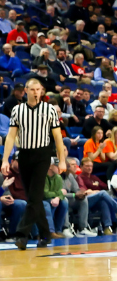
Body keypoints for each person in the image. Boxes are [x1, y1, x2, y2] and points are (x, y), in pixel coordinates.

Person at [1, 78, 68, 249]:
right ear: (26, 91)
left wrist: (61, 160)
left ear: (42, 91)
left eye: (39, 89)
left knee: (35, 196)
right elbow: (10, 136)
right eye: (32, 89)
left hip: (42, 155)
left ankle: (21, 235)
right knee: (34, 198)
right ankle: (45, 235)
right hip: (24, 154)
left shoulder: (49, 110)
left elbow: (58, 137)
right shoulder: (17, 110)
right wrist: (5, 159)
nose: (36, 92)